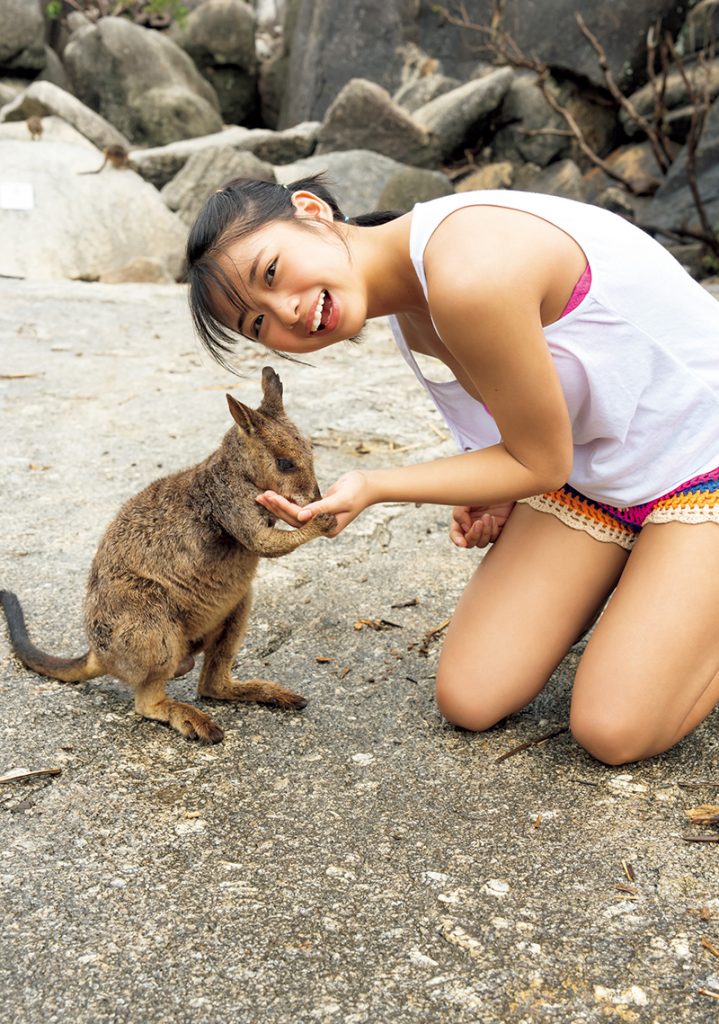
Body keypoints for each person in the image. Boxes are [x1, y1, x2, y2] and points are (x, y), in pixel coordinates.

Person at [184, 175, 719, 766]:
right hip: (600, 479)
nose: (285, 310)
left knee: (612, 729)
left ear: (311, 211)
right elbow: (524, 437)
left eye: (271, 272)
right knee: (471, 695)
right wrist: (495, 488)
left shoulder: (466, 271)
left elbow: (538, 463)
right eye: (258, 324)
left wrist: (373, 486)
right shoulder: (409, 304)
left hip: (703, 460)